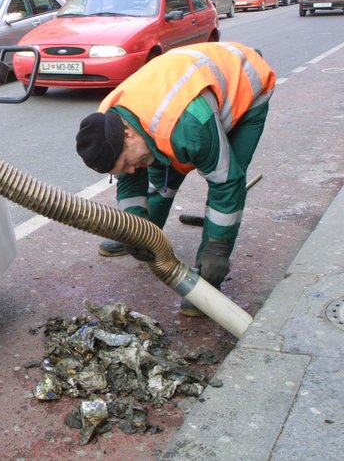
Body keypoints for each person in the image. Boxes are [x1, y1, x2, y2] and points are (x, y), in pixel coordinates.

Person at [74, 42, 275, 317]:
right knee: (157, 172)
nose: (129, 170)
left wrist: (218, 249)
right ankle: (148, 236)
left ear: (129, 135)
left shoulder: (188, 128)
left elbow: (225, 184)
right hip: (182, 102)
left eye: (124, 163)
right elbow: (130, 180)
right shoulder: (109, 120)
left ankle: (208, 279)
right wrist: (136, 230)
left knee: (229, 173)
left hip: (245, 87)